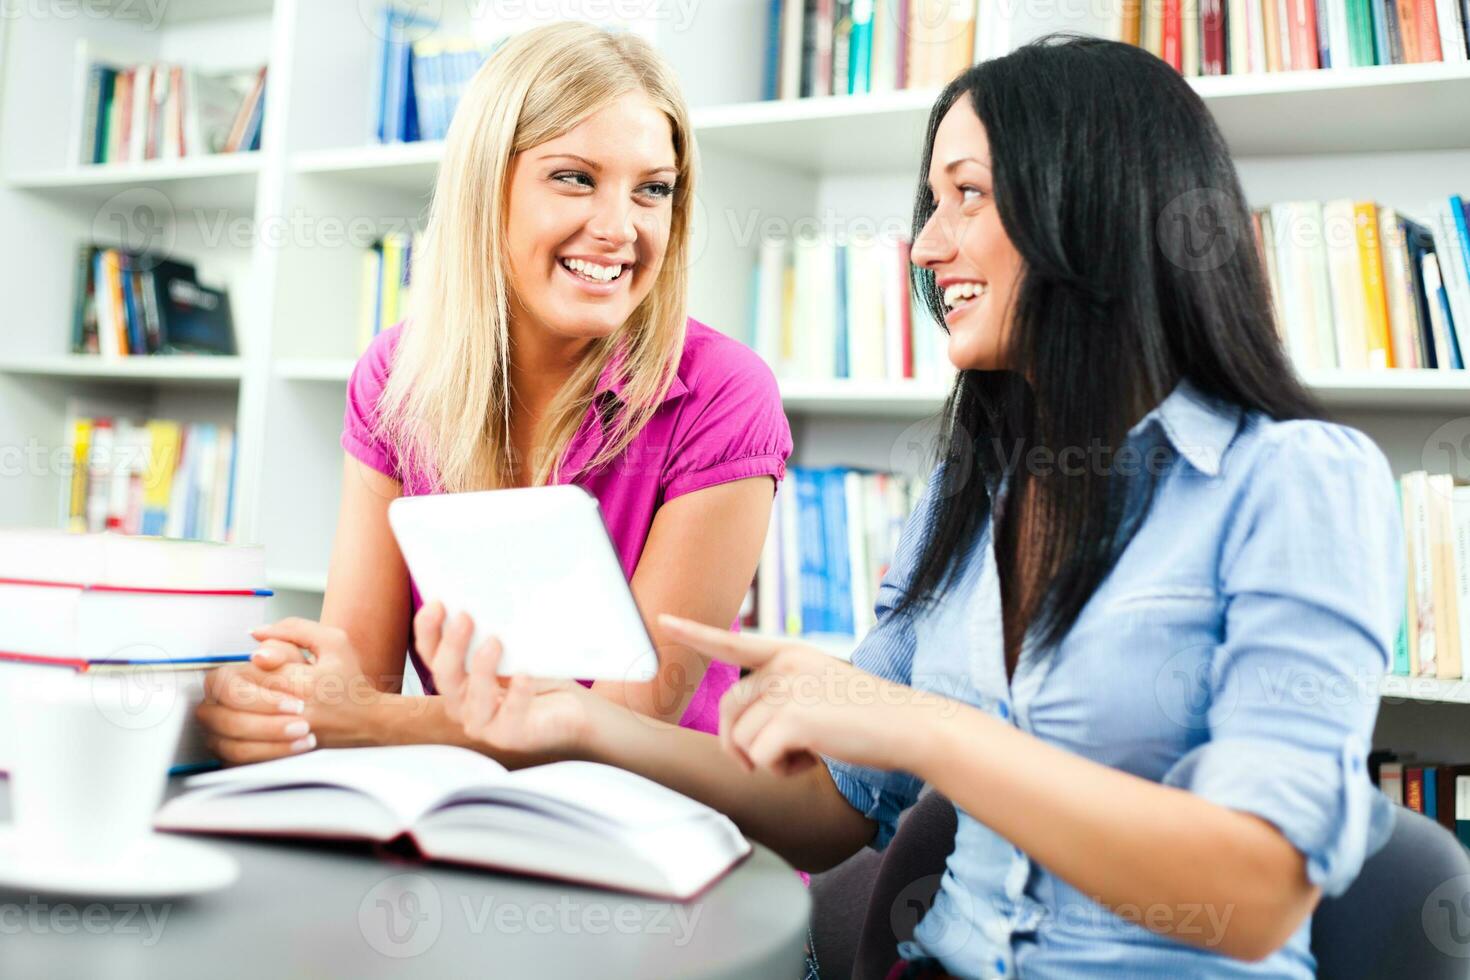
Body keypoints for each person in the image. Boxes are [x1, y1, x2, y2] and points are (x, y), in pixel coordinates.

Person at [419, 36, 1403, 978]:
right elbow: (834, 807)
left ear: (1094, 205)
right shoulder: (971, 488)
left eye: (966, 194)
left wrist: (916, 721)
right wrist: (576, 723)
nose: (927, 245)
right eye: (930, 203)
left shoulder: (1297, 482)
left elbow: (1259, 888)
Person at [196, 22, 791, 764]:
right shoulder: (396, 377)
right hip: (457, 817)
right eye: (574, 177)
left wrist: (372, 720)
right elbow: (353, 686)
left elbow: (616, 735)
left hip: (655, 839)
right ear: (487, 187)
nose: (619, 228)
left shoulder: (724, 397)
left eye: (652, 190)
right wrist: (278, 711)